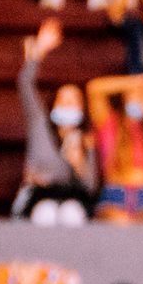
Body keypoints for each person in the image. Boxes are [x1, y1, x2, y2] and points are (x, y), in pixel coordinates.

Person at [14, 20, 100, 226]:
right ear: (54, 105)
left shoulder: (86, 138)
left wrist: (79, 164)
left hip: (72, 198)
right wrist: (38, 50)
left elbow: (91, 186)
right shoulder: (39, 124)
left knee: (71, 215)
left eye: (74, 100)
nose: (68, 104)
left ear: (82, 108)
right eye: (64, 99)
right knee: (46, 214)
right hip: (40, 196)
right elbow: (25, 84)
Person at [86, 73, 143, 225]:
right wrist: (135, 82)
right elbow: (94, 88)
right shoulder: (109, 122)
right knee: (121, 221)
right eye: (132, 94)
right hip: (115, 193)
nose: (136, 97)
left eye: (140, 94)